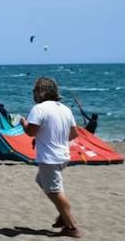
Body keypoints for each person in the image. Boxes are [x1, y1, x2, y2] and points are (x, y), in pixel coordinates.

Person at [18, 77, 80, 238]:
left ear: (41, 92)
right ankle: (63, 213)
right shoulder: (65, 109)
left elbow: (31, 131)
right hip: (63, 155)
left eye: (35, 90)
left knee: (54, 191)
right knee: (42, 182)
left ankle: (72, 227)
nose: (33, 94)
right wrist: (53, 138)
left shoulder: (39, 109)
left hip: (49, 158)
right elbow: (73, 134)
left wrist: (23, 122)